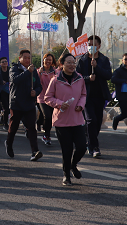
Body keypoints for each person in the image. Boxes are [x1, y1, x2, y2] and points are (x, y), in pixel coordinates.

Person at [45, 53, 87, 186]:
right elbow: (47, 98)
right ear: (62, 64)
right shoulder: (55, 80)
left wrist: (81, 105)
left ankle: (73, 165)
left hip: (77, 119)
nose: (72, 65)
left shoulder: (80, 78)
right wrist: (59, 103)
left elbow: (84, 94)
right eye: (68, 62)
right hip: (61, 121)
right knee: (67, 150)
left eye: (73, 62)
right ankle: (66, 175)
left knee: (82, 147)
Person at [76, 35, 112, 158]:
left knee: (98, 121)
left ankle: (90, 140)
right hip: (86, 96)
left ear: (99, 46)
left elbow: (108, 75)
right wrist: (88, 78)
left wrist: (97, 67)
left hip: (100, 95)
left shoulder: (104, 60)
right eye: (89, 44)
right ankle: (94, 147)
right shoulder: (82, 60)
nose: (91, 47)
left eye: (94, 44)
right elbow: (77, 77)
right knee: (91, 120)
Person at [6, 49, 43, 161]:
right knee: (14, 127)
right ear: (20, 58)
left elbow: (39, 86)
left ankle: (35, 151)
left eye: (29, 58)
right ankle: (9, 144)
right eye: (25, 58)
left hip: (29, 103)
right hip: (16, 103)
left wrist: (35, 92)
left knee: (31, 127)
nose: (27, 60)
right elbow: (15, 80)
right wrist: (27, 72)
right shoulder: (14, 69)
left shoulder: (33, 70)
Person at [37, 53, 57, 146]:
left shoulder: (55, 72)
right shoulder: (39, 71)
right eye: (46, 59)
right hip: (42, 98)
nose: (48, 61)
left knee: (50, 118)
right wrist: (39, 74)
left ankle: (46, 132)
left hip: (52, 98)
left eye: (50, 60)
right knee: (47, 116)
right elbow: (35, 82)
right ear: (43, 60)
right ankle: (47, 135)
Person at [0, 57, 10, 131]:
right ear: (0, 64)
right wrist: (1, 81)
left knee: (10, 108)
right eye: (3, 62)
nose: (5, 63)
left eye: (5, 61)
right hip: (2, 91)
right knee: (6, 108)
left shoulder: (11, 70)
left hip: (10, 91)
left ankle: (3, 119)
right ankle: (5, 123)